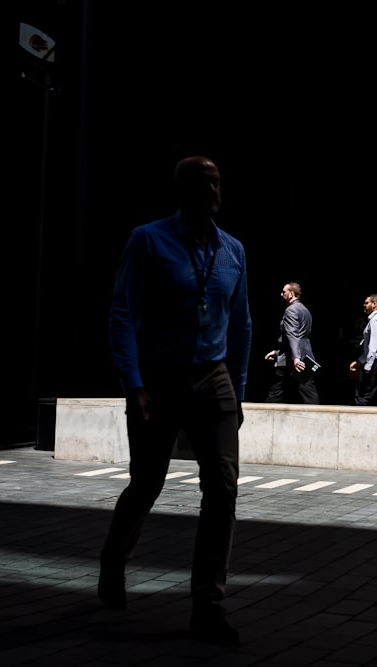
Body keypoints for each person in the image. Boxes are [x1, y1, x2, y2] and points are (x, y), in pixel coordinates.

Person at [100, 155, 252, 647]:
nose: (212, 188)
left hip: (214, 378)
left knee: (224, 488)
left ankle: (208, 604)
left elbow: (243, 324)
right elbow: (122, 312)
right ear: (182, 190)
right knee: (147, 481)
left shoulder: (233, 250)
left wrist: (240, 387)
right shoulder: (149, 239)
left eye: (217, 181)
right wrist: (133, 382)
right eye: (202, 182)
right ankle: (114, 559)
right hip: (159, 379)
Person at [263, 282, 319, 404]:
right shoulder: (304, 309)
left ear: (291, 294)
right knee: (307, 389)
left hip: (293, 358)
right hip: (304, 354)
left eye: (284, 292)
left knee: (277, 391)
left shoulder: (291, 310)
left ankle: (265, 417)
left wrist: (296, 358)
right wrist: (277, 352)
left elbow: (292, 335)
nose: (281, 294)